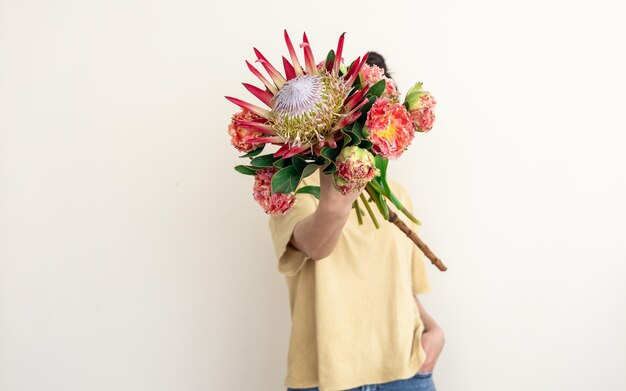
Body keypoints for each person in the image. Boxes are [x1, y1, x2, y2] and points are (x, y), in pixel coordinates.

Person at [268, 52, 445, 391]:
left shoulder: (395, 193)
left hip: (405, 372)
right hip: (326, 378)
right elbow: (318, 247)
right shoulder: (291, 189)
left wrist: (433, 331)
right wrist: (342, 184)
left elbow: (399, 287)